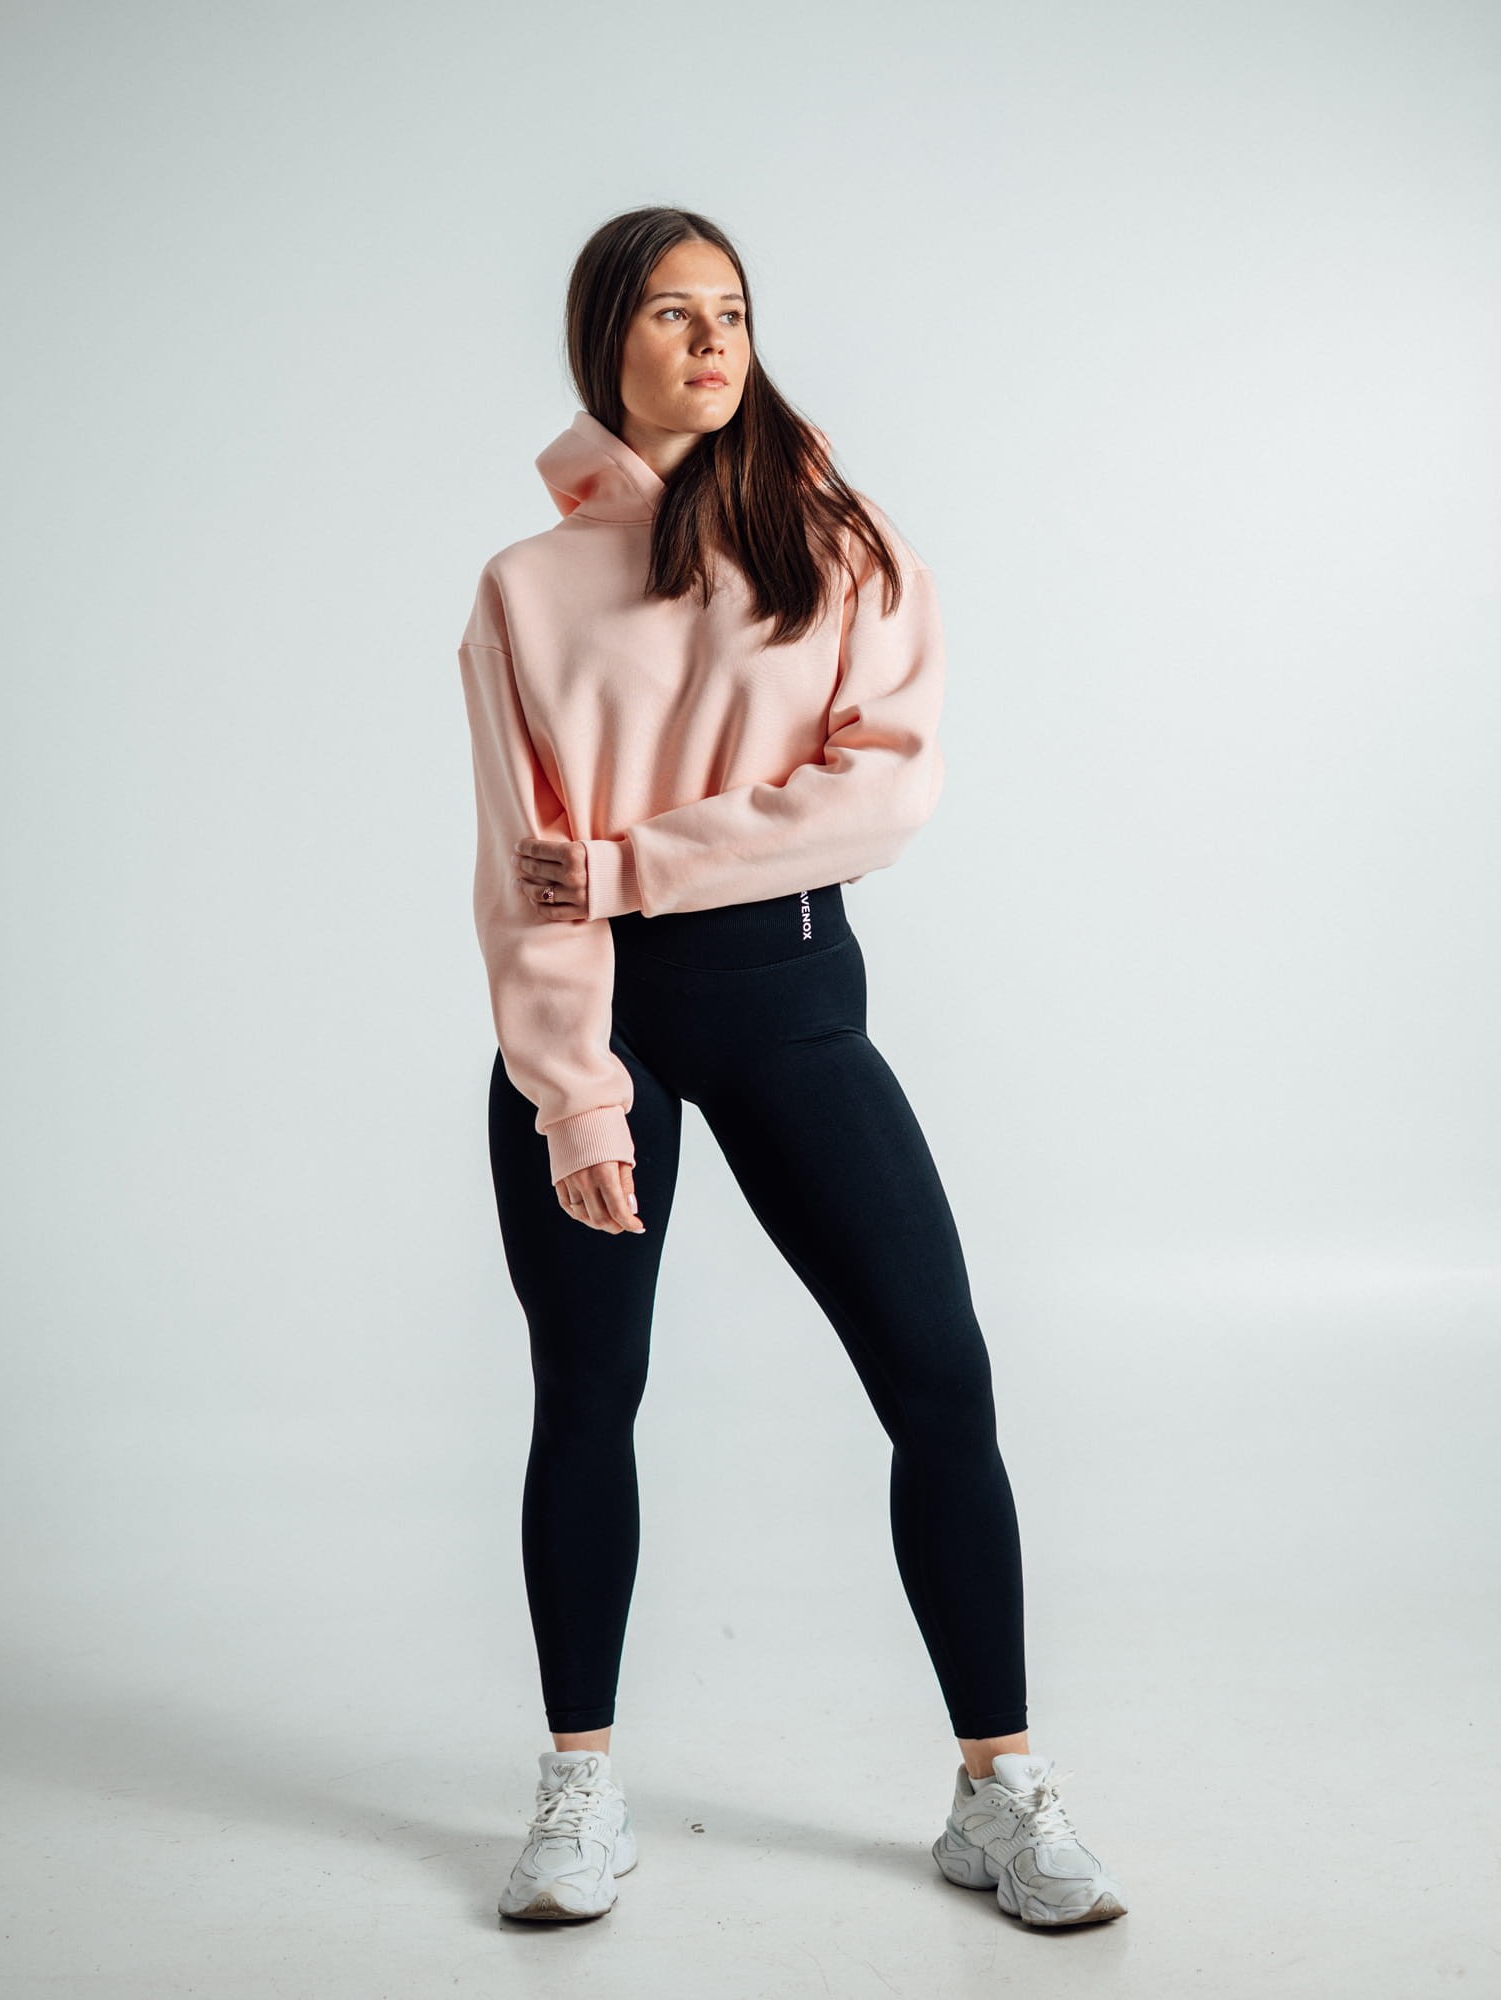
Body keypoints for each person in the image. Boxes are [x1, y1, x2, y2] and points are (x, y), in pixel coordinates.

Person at [457, 205, 1128, 1932]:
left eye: (734, 312)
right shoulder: (526, 589)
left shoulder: (834, 540)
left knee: (939, 1377)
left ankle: (996, 1786)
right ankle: (579, 1786)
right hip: (599, 1021)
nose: (711, 340)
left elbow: (877, 795)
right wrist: (574, 1094)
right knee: (586, 1399)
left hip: (788, 998)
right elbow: (521, 873)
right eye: (672, 312)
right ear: (604, 338)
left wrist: (634, 861)